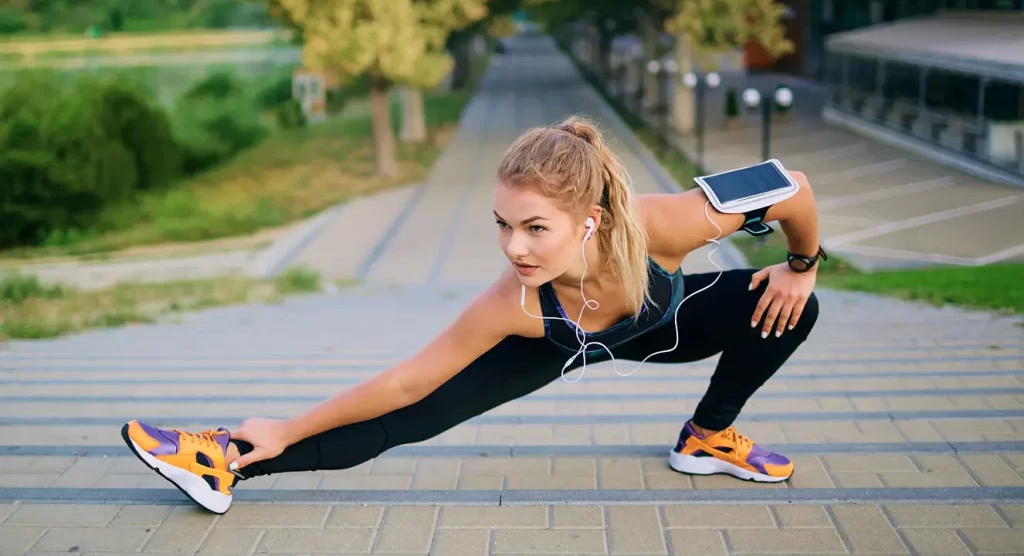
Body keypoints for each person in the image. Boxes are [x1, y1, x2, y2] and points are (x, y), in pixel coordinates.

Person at [121, 114, 824, 514]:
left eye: (535, 228)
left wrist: (800, 265)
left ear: (590, 219)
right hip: (559, 341)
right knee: (407, 422)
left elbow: (793, 188)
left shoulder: (668, 223)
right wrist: (286, 425)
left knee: (799, 308)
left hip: (672, 323)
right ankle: (226, 460)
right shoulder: (512, 303)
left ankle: (709, 435)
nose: (514, 248)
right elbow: (403, 385)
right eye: (503, 224)